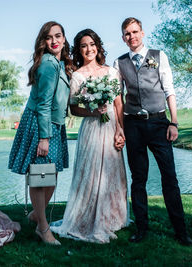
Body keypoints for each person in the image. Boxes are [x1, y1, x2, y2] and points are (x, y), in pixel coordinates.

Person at [113, 17, 192, 246]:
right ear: (123, 38)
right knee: (139, 179)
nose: (132, 37)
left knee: (170, 178)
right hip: (133, 125)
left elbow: (169, 90)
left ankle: (181, 231)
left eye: (135, 32)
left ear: (143, 32)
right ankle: (141, 229)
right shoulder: (119, 63)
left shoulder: (159, 56)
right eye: (127, 34)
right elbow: (117, 99)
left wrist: (173, 123)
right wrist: (120, 128)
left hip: (159, 124)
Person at [51, 29, 129, 243]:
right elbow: (74, 109)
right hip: (92, 129)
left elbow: (118, 103)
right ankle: (87, 218)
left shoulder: (111, 72)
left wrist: (121, 129)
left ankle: (114, 217)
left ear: (98, 46)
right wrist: (93, 111)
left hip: (112, 124)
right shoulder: (77, 76)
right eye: (84, 45)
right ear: (79, 49)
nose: (89, 49)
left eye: (92, 44)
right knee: (92, 172)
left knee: (113, 172)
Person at [8, 21, 73, 245]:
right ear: (43, 42)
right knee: (41, 175)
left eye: (58, 36)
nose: (54, 41)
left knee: (50, 175)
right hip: (41, 124)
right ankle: (43, 229)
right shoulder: (48, 64)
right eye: (49, 37)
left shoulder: (59, 63)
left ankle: (37, 215)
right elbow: (44, 103)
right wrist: (44, 137)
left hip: (53, 123)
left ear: (64, 39)